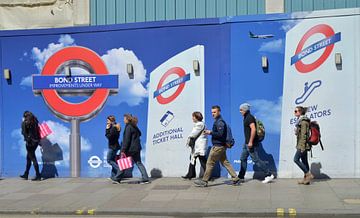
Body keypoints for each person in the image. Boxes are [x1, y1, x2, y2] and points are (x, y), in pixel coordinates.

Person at [194, 105, 239, 187]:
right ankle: (235, 178)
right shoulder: (218, 121)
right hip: (221, 146)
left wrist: (210, 132)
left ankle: (204, 181)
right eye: (212, 112)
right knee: (225, 162)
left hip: (218, 147)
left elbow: (220, 134)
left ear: (219, 112)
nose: (213, 114)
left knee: (210, 163)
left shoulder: (220, 122)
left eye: (214, 112)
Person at [237, 103, 275, 184]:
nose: (240, 111)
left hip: (250, 143)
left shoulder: (249, 118)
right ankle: (241, 177)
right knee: (243, 158)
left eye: (241, 110)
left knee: (256, 160)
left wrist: (250, 141)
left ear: (245, 110)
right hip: (246, 143)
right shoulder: (246, 117)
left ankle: (269, 174)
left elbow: (253, 129)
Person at [121, 114, 150, 184]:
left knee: (123, 162)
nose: (123, 120)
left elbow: (127, 140)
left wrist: (123, 149)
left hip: (131, 149)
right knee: (138, 163)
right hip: (136, 148)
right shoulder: (134, 127)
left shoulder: (128, 127)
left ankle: (117, 178)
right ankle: (145, 178)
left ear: (127, 119)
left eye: (124, 118)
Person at [182, 112, 208, 180]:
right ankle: (191, 174)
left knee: (202, 161)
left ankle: (208, 175)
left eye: (193, 117)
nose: (192, 118)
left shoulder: (200, 124)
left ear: (197, 117)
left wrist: (188, 139)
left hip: (199, 146)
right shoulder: (199, 124)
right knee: (192, 158)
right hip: (197, 146)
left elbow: (193, 134)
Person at [293, 106, 313, 185]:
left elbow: (304, 135)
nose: (294, 112)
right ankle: (306, 180)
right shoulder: (300, 121)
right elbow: (300, 133)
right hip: (302, 144)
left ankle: (308, 174)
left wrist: (302, 147)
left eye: (296, 111)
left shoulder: (304, 122)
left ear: (300, 112)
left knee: (296, 159)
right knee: (304, 161)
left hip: (302, 145)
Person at [20, 111, 41, 181]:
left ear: (25, 116)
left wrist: (22, 123)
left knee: (33, 159)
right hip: (36, 142)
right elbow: (38, 132)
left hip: (30, 143)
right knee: (28, 158)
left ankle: (38, 176)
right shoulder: (35, 121)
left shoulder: (26, 122)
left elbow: (23, 132)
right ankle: (26, 174)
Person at [105, 115, 122, 183]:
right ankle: (113, 176)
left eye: (108, 121)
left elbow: (109, 137)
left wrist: (107, 129)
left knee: (109, 160)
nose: (107, 122)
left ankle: (119, 170)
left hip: (113, 147)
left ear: (111, 121)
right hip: (115, 146)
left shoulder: (113, 128)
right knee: (113, 160)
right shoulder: (115, 126)